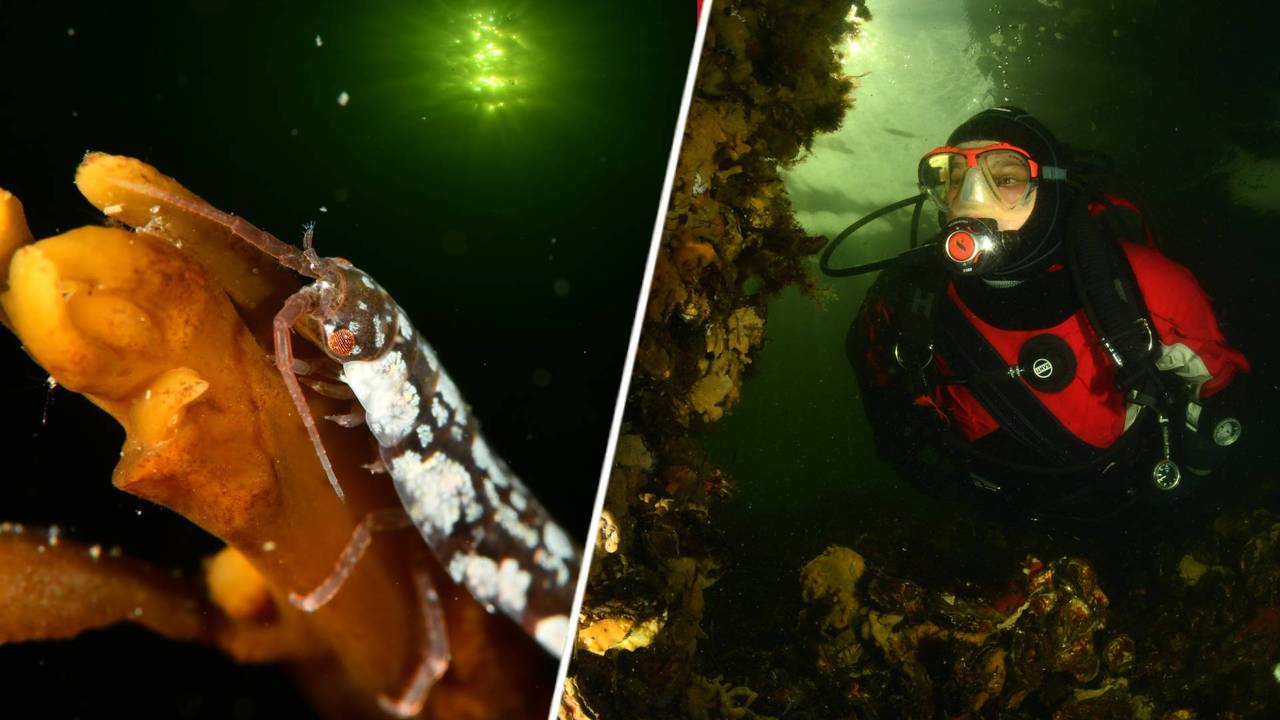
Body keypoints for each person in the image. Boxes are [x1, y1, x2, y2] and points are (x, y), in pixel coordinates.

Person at [847, 106, 1250, 523]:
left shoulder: (1144, 284)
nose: (969, 199)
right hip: (989, 519)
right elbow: (886, 405)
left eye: (1005, 178)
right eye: (953, 178)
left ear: (1051, 189)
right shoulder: (908, 295)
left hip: (1118, 507)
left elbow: (1218, 387)